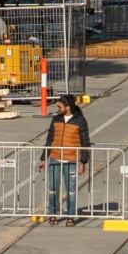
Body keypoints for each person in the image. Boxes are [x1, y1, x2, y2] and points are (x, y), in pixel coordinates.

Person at [40, 94, 91, 222]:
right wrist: (43, 158)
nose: (57, 108)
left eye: (59, 106)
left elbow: (85, 142)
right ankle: (53, 214)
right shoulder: (56, 119)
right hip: (55, 158)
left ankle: (70, 216)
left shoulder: (80, 121)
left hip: (71, 160)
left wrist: (83, 162)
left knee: (71, 190)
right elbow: (50, 139)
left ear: (68, 107)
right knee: (53, 189)